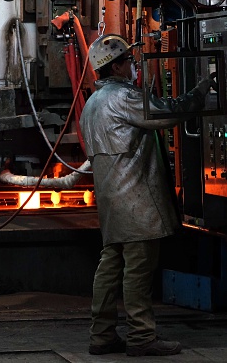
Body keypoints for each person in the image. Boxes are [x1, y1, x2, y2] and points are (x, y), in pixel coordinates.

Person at [79, 34, 216, 357]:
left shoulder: (92, 103)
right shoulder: (122, 98)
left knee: (110, 266)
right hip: (134, 199)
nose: (133, 65)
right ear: (116, 66)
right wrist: (202, 89)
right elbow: (167, 112)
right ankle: (142, 336)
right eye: (128, 60)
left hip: (112, 202)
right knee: (138, 269)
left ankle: (101, 335)